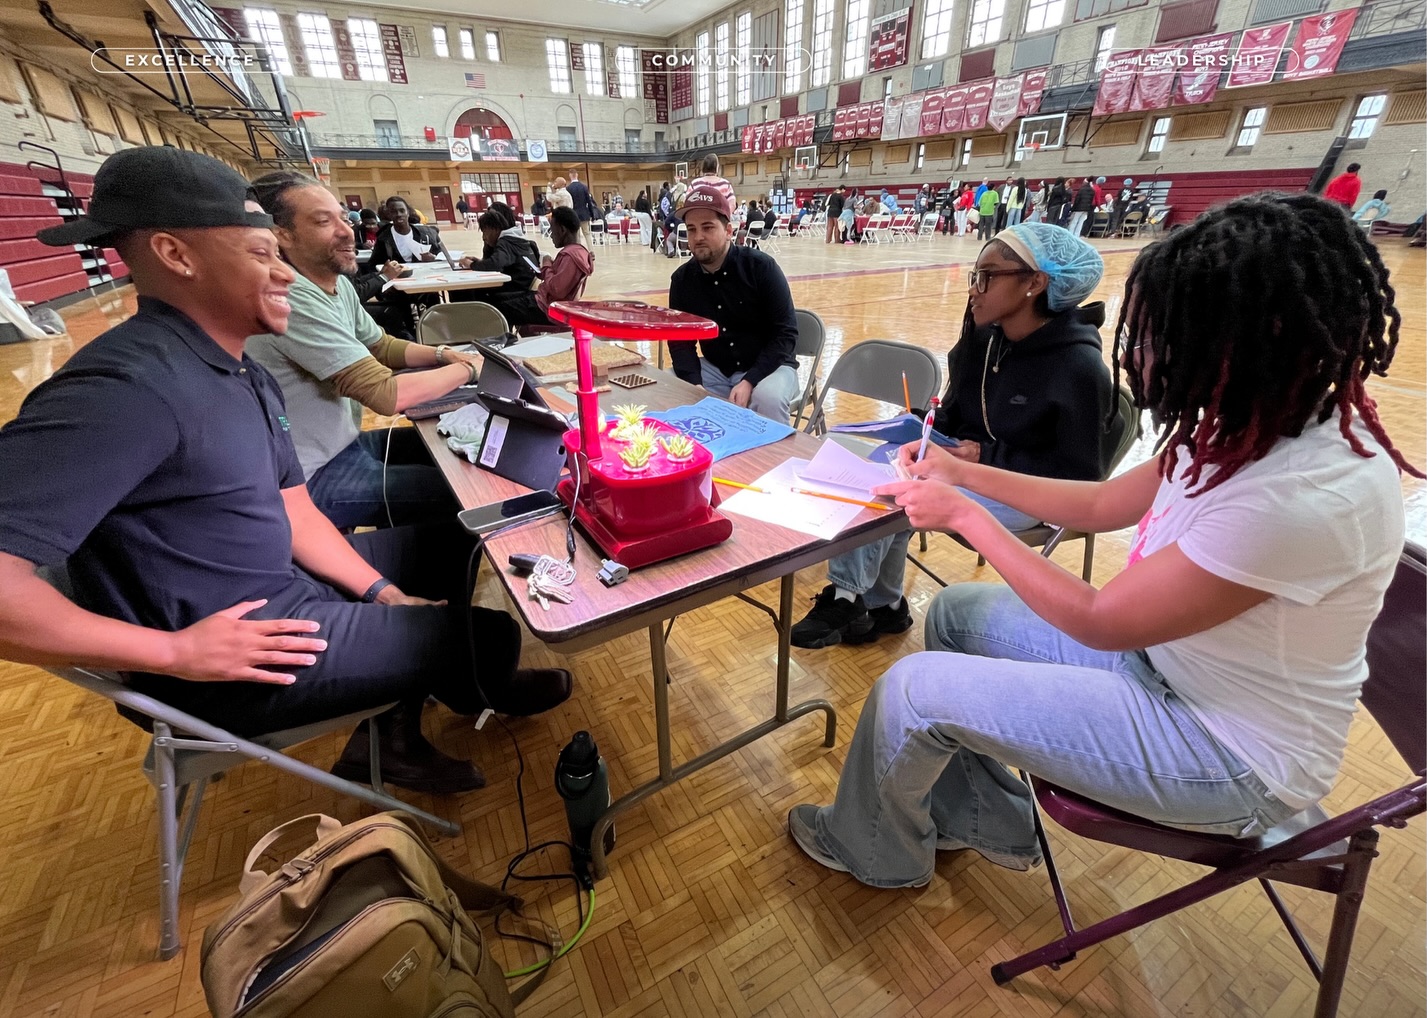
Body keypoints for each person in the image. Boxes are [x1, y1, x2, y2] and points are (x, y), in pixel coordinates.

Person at [788, 191, 1421, 889]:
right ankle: (983, 817)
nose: (1137, 353)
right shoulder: (1248, 422)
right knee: (956, 613)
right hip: (1171, 671)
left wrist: (965, 515)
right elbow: (1098, 504)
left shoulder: (1302, 496)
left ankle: (876, 852)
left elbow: (1101, 620)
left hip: (1227, 754)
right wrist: (959, 471)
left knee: (913, 691)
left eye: (1156, 336)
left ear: (1240, 341)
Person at [0, 147, 571, 801]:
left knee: (455, 543)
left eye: (279, 253)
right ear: (176, 255)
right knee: (491, 634)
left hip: (284, 586)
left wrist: (384, 591)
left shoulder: (240, 369)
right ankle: (461, 681)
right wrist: (173, 654)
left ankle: (422, 706)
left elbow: (295, 510)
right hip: (237, 651)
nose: (283, 276)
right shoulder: (120, 390)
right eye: (260, 254)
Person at [791, 224, 1114, 649]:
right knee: (885, 465)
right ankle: (886, 607)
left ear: (1035, 282)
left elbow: (1078, 478)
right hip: (963, 469)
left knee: (900, 490)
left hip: (1029, 494)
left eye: (987, 277)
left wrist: (987, 457)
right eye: (975, 276)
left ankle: (847, 596)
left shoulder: (1080, 368)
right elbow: (955, 414)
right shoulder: (984, 341)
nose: (973, 289)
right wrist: (923, 425)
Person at [246, 172, 474, 531]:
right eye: (323, 221)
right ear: (281, 234)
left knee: (453, 449)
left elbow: (381, 345)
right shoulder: (291, 296)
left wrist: (445, 355)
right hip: (312, 474)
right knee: (462, 491)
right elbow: (385, 394)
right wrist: (470, 369)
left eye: (342, 217)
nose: (347, 231)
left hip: (343, 445)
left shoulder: (333, 283)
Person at [667, 183, 801, 423]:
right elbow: (680, 342)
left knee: (768, 398)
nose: (698, 237)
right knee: (671, 386)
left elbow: (785, 334)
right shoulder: (682, 280)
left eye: (708, 227)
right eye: (691, 229)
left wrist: (750, 380)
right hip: (716, 368)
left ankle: (774, 449)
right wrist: (693, 383)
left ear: (729, 230)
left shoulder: (762, 268)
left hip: (771, 366)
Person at [481, 207, 593, 328]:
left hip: (547, 308)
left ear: (562, 230)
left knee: (496, 310)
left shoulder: (570, 256)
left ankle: (503, 337)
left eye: (552, 229)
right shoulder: (577, 252)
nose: (551, 235)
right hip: (546, 301)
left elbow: (556, 290)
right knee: (497, 299)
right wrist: (542, 270)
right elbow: (558, 281)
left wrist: (547, 265)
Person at [456, 209, 541, 302]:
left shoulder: (506, 242)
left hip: (515, 293)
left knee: (464, 291)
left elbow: (495, 264)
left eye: (485, 232)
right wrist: (480, 262)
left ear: (495, 229)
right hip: (522, 288)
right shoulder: (516, 239)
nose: (483, 237)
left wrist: (470, 264)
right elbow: (500, 261)